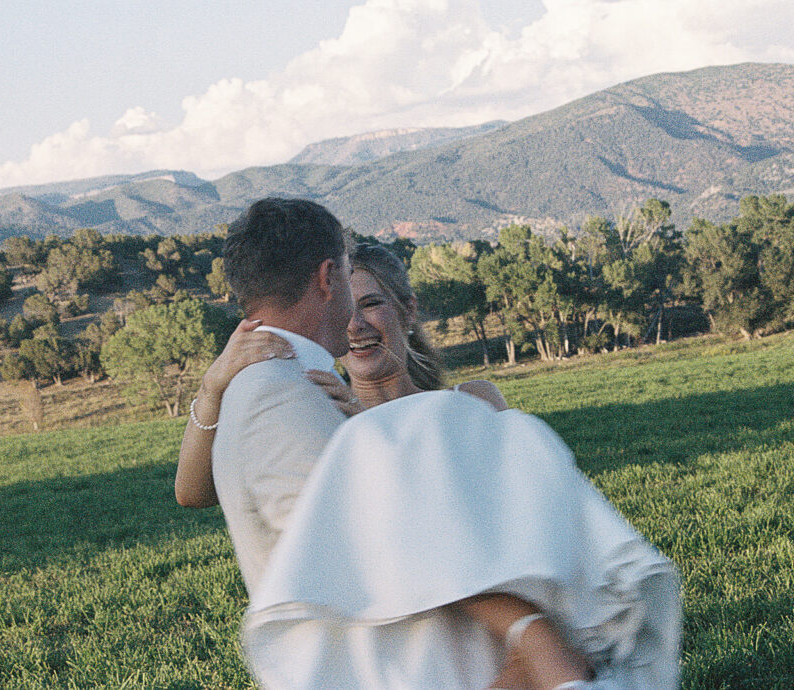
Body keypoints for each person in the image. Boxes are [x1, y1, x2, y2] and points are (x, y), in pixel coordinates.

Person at [181, 199, 678, 688]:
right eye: (352, 292)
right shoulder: (290, 395)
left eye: (372, 302)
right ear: (328, 278)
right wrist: (533, 635)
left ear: (408, 311)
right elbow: (376, 534)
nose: (356, 320)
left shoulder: (434, 403)